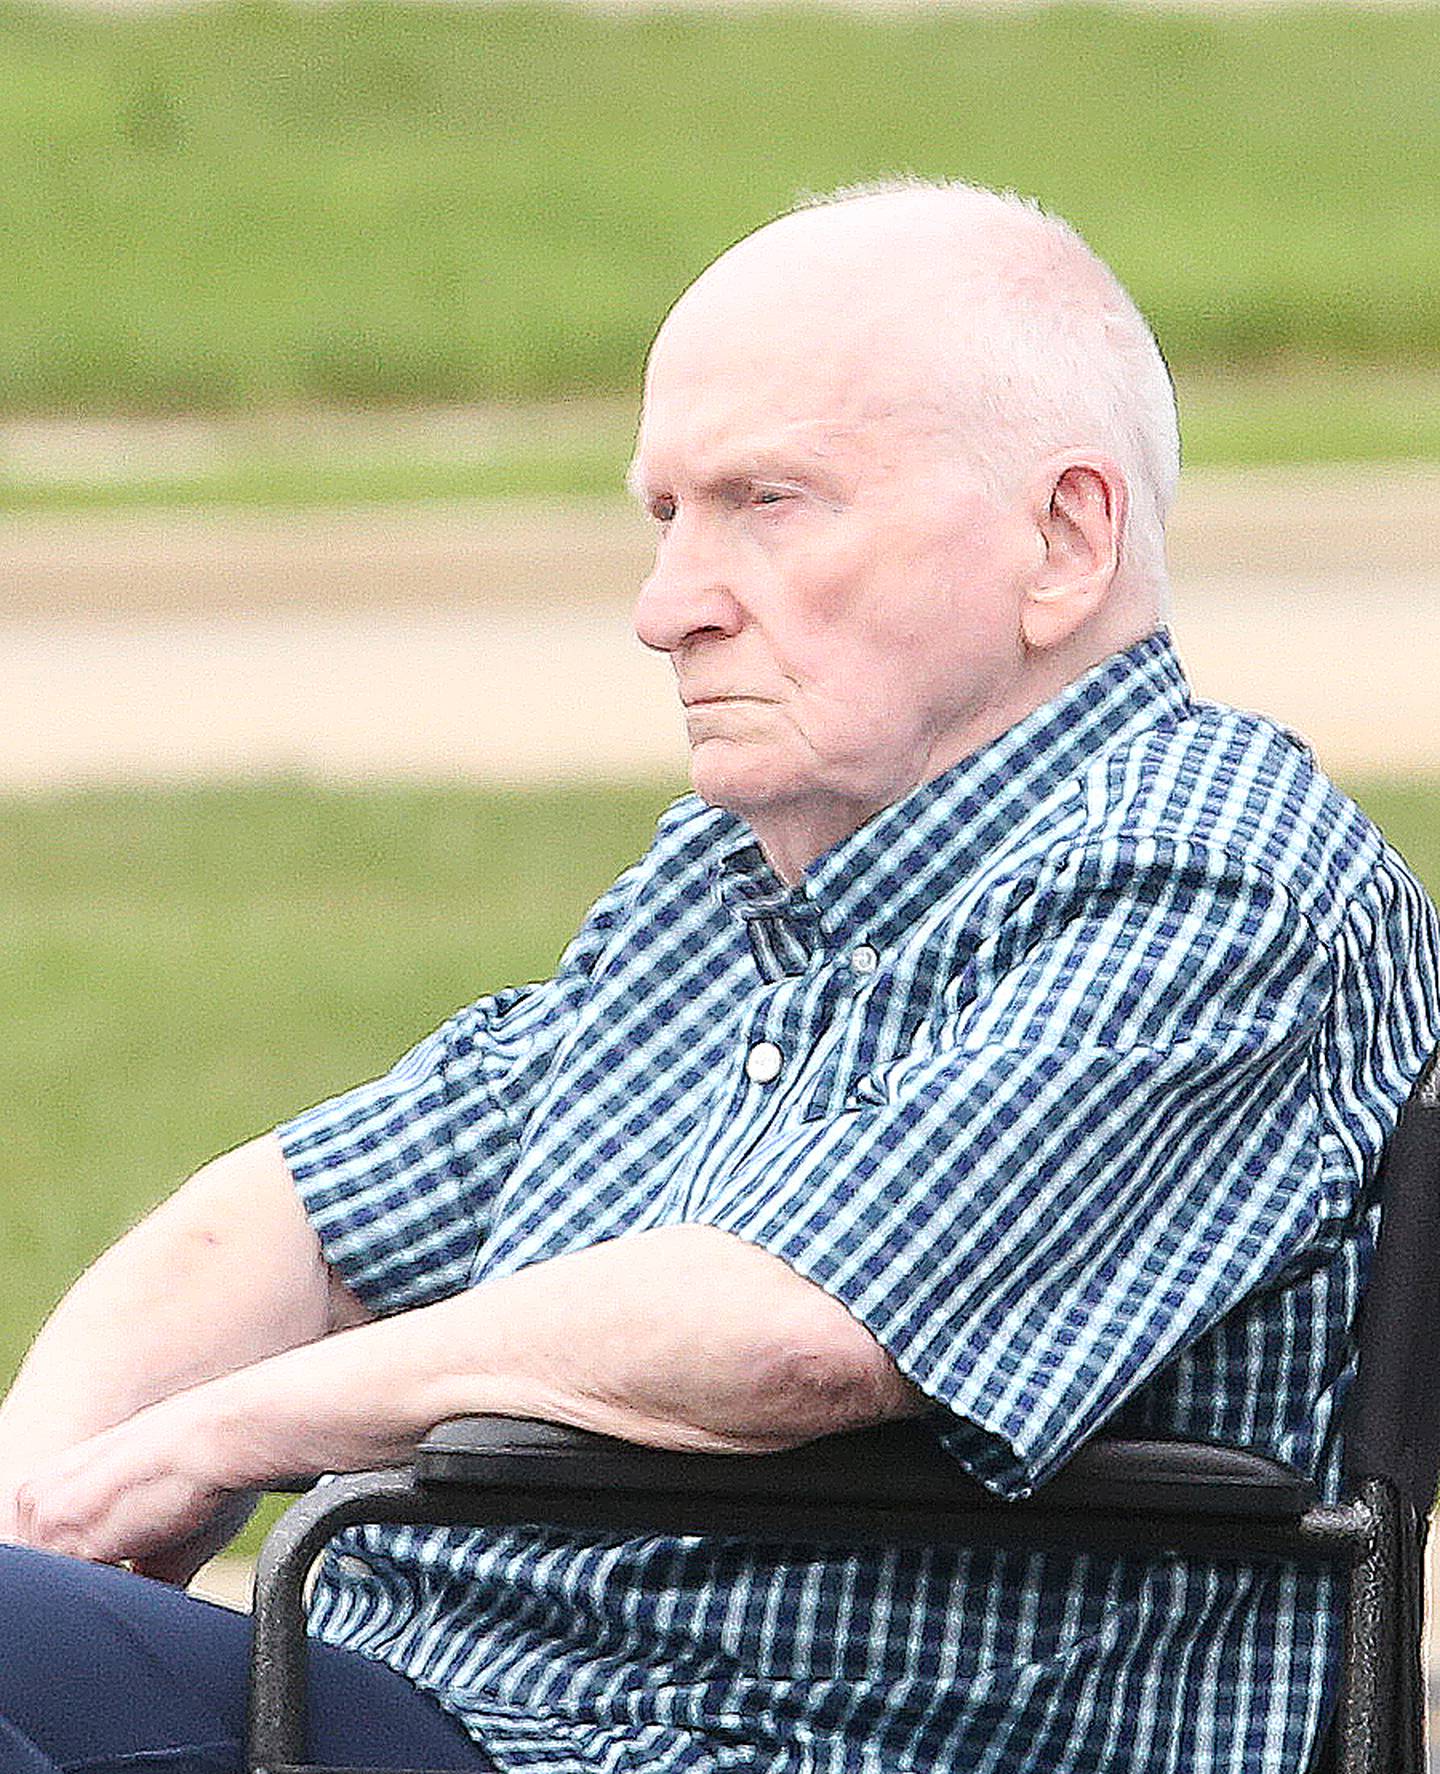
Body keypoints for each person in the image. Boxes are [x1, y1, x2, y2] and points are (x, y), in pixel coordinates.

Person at [1, 180, 1436, 1774]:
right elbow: (295, 1215)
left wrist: (220, 1433)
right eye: (663, 515)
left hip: (728, 1740)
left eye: (768, 501)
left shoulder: (1215, 872)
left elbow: (798, 1326)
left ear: (1063, 538)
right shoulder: (733, 871)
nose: (664, 605)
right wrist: (48, 1485)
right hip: (430, 1696)